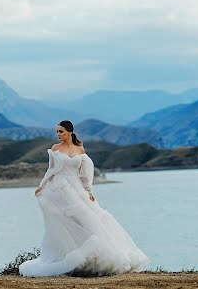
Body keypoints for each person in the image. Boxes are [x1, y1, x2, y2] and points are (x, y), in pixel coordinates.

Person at [19, 119, 149, 277]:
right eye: (57, 132)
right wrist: (43, 185)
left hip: (77, 188)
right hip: (60, 188)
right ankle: (69, 253)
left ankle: (95, 254)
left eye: (61, 131)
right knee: (66, 221)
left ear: (70, 132)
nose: (58, 134)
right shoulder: (55, 148)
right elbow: (51, 169)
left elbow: (85, 173)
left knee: (89, 219)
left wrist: (88, 191)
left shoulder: (80, 149)